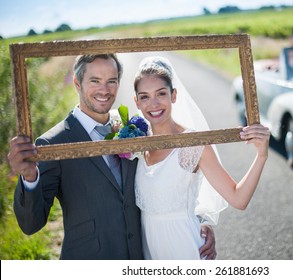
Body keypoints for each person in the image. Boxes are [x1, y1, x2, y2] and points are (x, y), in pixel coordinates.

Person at [7, 54, 216, 260]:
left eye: (112, 81)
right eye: (95, 81)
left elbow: (171, 180)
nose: (104, 90)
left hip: (143, 257)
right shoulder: (54, 143)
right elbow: (30, 224)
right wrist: (29, 178)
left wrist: (198, 223)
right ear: (77, 83)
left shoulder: (131, 128)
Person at [132, 56, 270, 260]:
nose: (153, 104)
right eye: (144, 96)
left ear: (174, 95)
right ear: (136, 101)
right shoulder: (135, 143)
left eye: (161, 93)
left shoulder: (193, 144)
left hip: (185, 246)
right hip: (149, 250)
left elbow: (238, 199)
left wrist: (262, 155)